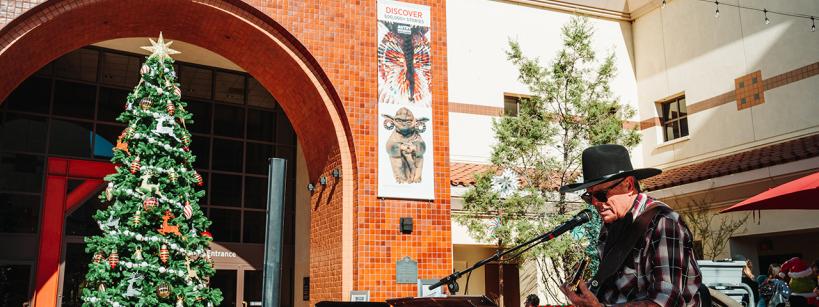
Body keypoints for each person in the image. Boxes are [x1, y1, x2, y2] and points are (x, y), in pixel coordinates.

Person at [557, 144, 703, 307]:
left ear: (628, 184)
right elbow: (616, 291)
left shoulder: (664, 222)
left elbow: (665, 301)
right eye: (589, 197)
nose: (596, 203)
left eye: (601, 194)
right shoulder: (611, 225)